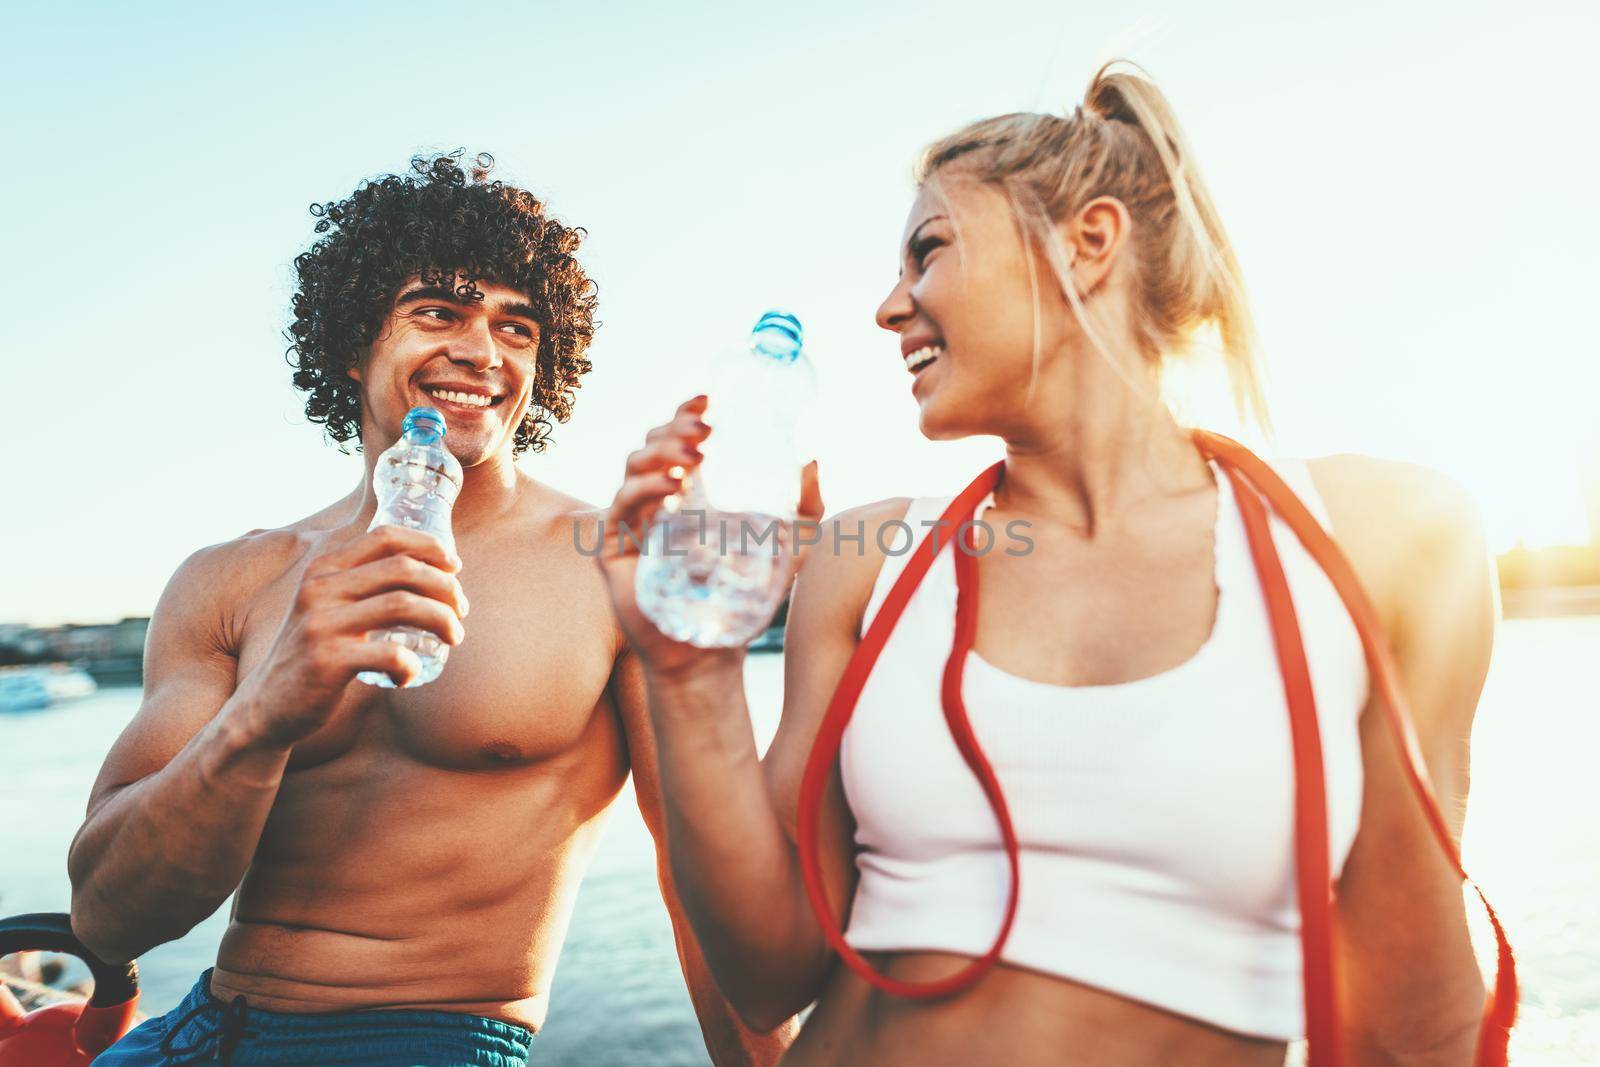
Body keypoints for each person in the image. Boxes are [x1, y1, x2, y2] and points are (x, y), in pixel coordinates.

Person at [595, 64, 1514, 1066]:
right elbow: (768, 974)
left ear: (1088, 245)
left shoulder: (1383, 539)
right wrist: (691, 675)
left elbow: (1417, 1011)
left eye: (927, 252)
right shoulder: (869, 562)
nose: (886, 307)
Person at [69, 151, 789, 1066]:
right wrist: (264, 714)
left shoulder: (613, 562)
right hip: (208, 1027)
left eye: (518, 328)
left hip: (437, 1037)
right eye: (438, 311)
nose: (483, 353)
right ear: (351, 338)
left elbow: (702, 881)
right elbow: (109, 909)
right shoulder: (231, 580)